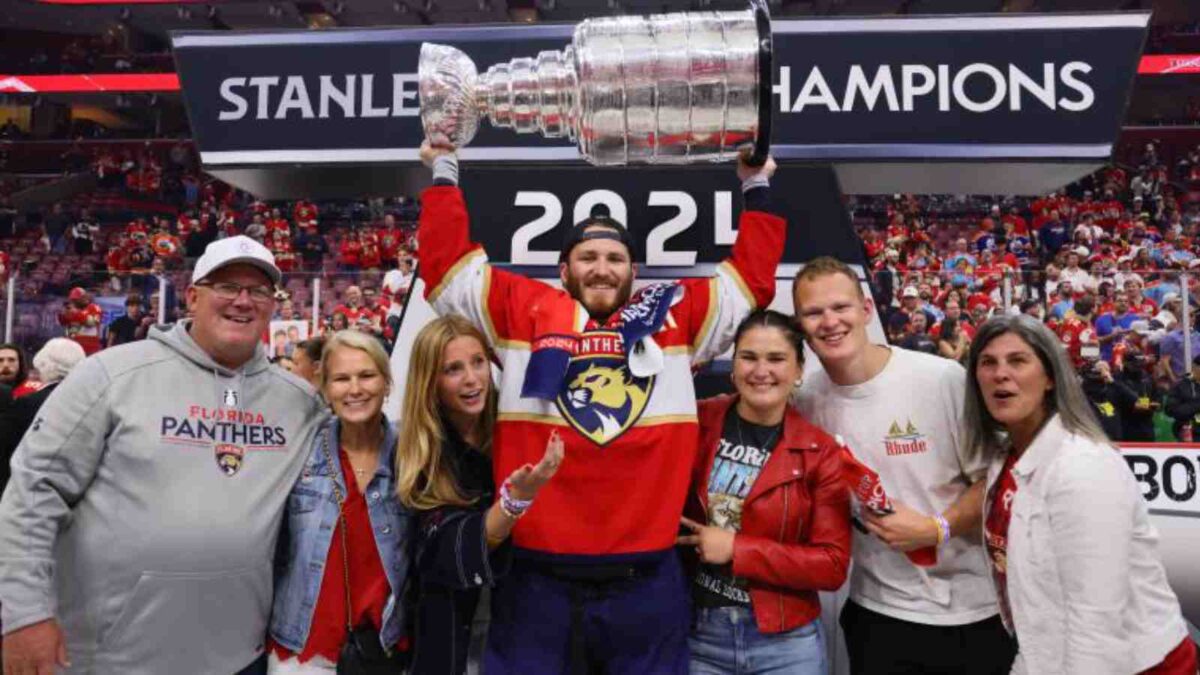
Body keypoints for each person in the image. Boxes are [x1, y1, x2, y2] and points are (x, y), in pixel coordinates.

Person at [417, 140, 785, 674]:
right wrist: (444, 168)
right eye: (587, 258)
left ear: (633, 270)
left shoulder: (674, 315)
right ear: (562, 270)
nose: (602, 269)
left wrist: (756, 185)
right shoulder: (521, 311)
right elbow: (447, 266)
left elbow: (750, 282)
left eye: (615, 259)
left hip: (646, 584)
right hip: (535, 583)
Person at [0, 235, 328, 675]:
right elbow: (32, 493)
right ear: (193, 296)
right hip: (107, 659)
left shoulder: (300, 402)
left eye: (259, 291)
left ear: (273, 305)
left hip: (239, 658)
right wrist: (23, 614)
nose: (243, 301)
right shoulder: (111, 374)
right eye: (227, 286)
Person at [791, 256, 1013, 675]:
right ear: (801, 324)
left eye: (840, 307)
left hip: (972, 612)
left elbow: (997, 478)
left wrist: (938, 527)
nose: (829, 322)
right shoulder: (805, 400)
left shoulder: (940, 379)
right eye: (813, 312)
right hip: (876, 612)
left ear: (866, 310)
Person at [964, 315, 1196, 674]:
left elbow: (1096, 625)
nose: (1000, 374)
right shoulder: (1005, 460)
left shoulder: (1082, 467)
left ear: (1051, 377)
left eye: (1018, 360)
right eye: (987, 362)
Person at [681, 310, 850, 675]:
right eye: (749, 357)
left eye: (776, 359)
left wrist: (737, 549)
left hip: (787, 644)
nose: (761, 371)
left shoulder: (819, 451)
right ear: (733, 364)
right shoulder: (696, 422)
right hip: (698, 635)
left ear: (799, 370)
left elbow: (832, 565)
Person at [395, 315, 564, 674]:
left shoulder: (519, 427)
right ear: (430, 381)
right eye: (453, 369)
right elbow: (445, 550)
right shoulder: (419, 451)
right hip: (447, 637)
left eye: (478, 362)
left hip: (529, 624)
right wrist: (515, 501)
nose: (472, 379)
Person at [268, 330, 412, 673]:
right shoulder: (300, 450)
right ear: (325, 387)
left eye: (366, 375)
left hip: (384, 653)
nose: (355, 389)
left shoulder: (413, 455)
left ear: (387, 382)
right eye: (341, 379)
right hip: (301, 654)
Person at [0, 339, 86, 494]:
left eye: (12, 360)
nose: (6, 365)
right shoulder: (91, 401)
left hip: (28, 489)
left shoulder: (27, 402)